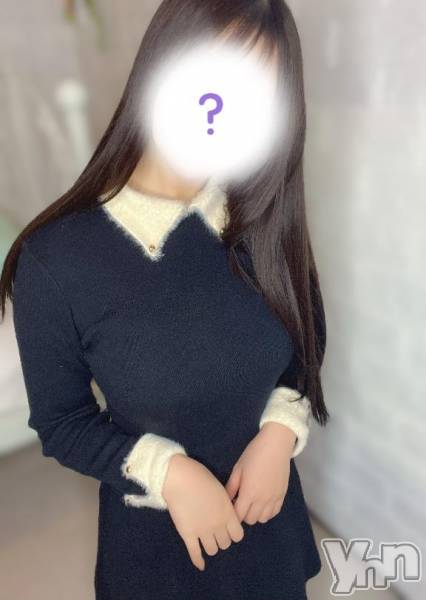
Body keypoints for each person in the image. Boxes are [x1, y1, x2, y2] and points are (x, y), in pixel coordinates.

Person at [1, 1, 329, 598]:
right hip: (154, 560)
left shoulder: (264, 222)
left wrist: (280, 432)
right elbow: (62, 422)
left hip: (272, 538)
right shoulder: (55, 260)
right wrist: (171, 473)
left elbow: (305, 345)